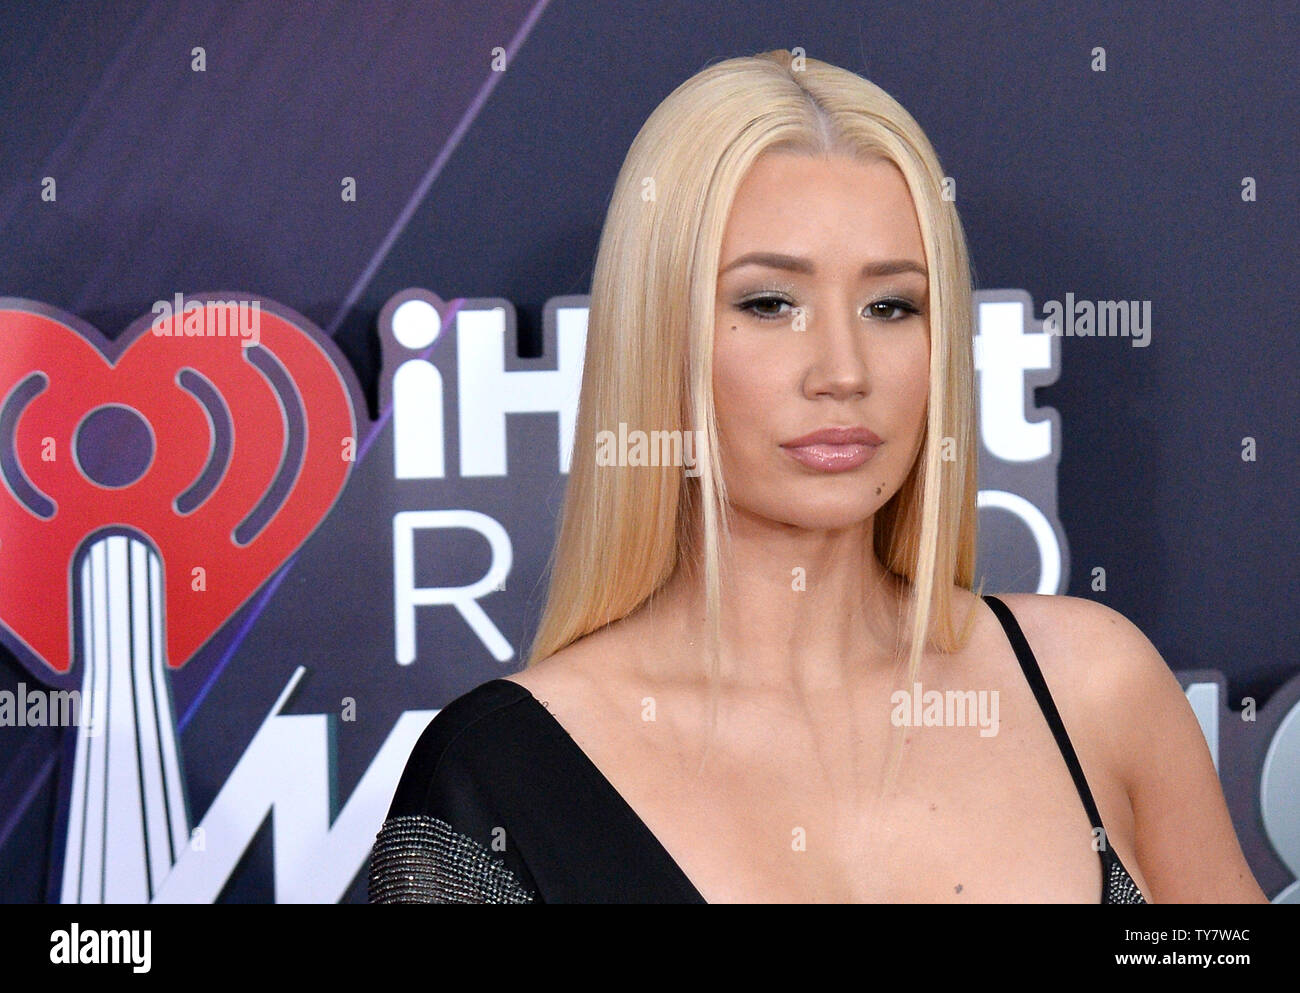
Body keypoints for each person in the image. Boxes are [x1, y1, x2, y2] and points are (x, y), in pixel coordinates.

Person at [368, 49, 1267, 904]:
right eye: (769, 303)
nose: (843, 368)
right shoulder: (500, 779)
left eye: (891, 305)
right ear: (657, 339)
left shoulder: (1094, 688)